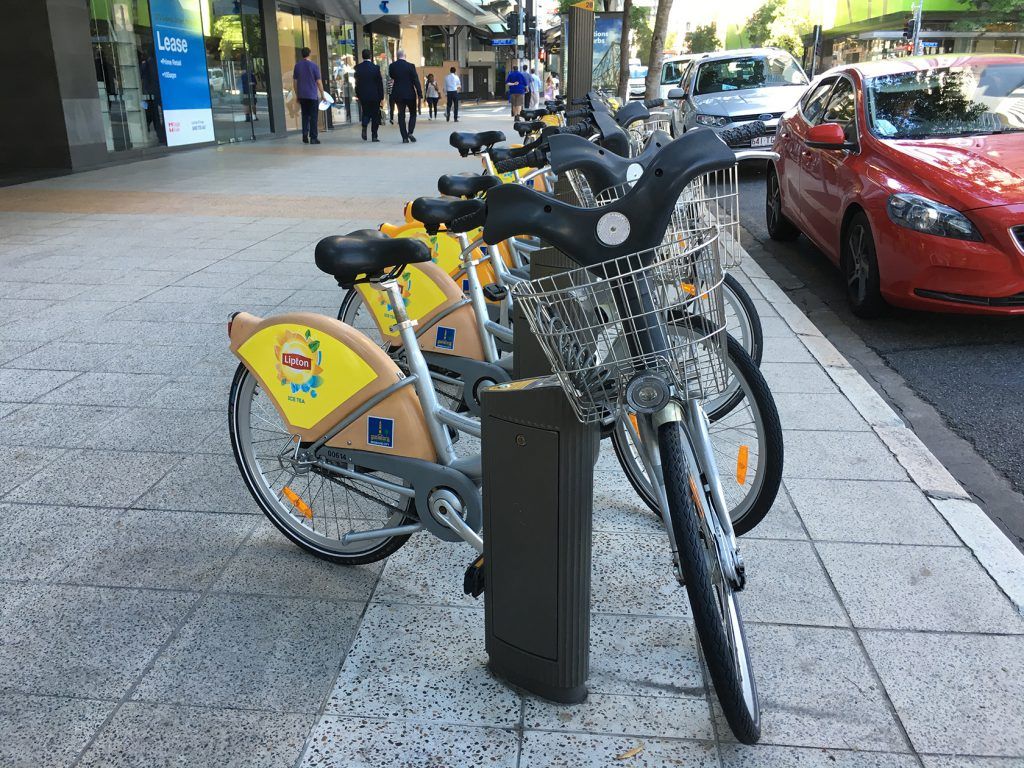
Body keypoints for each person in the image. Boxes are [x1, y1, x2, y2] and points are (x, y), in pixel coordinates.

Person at [387, 49, 423, 143]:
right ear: (405, 56)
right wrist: (420, 93)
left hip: (398, 94)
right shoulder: (411, 66)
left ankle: (404, 137)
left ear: (397, 56)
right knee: (413, 113)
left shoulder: (392, 66)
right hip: (410, 93)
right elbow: (416, 80)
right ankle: (410, 132)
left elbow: (392, 76)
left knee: (401, 115)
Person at [293, 47, 324, 144]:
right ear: (309, 54)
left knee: (305, 115)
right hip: (312, 95)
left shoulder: (297, 66)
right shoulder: (314, 66)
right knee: (313, 117)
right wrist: (322, 93)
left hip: (302, 95)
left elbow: (295, 82)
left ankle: (305, 135)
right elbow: (318, 82)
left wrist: (297, 94)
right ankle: (313, 138)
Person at [354, 48, 384, 141]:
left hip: (363, 95)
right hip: (374, 95)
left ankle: (364, 126)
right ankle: (374, 136)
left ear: (362, 56)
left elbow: (357, 84)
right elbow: (380, 83)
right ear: (370, 56)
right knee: (375, 115)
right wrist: (381, 97)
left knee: (365, 112)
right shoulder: (375, 68)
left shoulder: (358, 68)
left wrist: (358, 94)